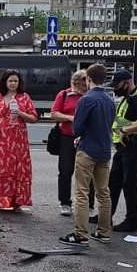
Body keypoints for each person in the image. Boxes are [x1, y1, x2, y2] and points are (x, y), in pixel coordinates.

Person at [61, 64, 114, 246]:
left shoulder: (86, 99)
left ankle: (81, 234)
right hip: (105, 150)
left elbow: (77, 127)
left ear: (88, 79)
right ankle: (104, 232)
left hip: (88, 150)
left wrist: (80, 137)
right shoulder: (109, 100)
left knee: (82, 192)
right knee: (103, 193)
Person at [0, 70, 39, 212]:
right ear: (5, 82)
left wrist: (21, 113)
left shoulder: (24, 97)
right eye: (10, 81)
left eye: (15, 81)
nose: (13, 84)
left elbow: (34, 117)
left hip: (17, 140)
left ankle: (16, 201)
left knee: (16, 170)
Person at [108, 70, 137, 234]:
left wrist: (126, 130)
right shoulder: (127, 98)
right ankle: (106, 216)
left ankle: (132, 221)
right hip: (123, 147)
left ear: (127, 82)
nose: (116, 89)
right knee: (114, 183)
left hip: (134, 145)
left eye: (117, 85)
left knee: (129, 184)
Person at [50, 70, 89, 217]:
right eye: (84, 83)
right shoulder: (64, 94)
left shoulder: (90, 95)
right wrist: (70, 118)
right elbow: (54, 113)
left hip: (86, 138)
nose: (86, 86)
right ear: (77, 83)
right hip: (67, 137)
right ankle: (65, 203)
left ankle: (88, 205)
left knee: (86, 172)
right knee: (65, 171)